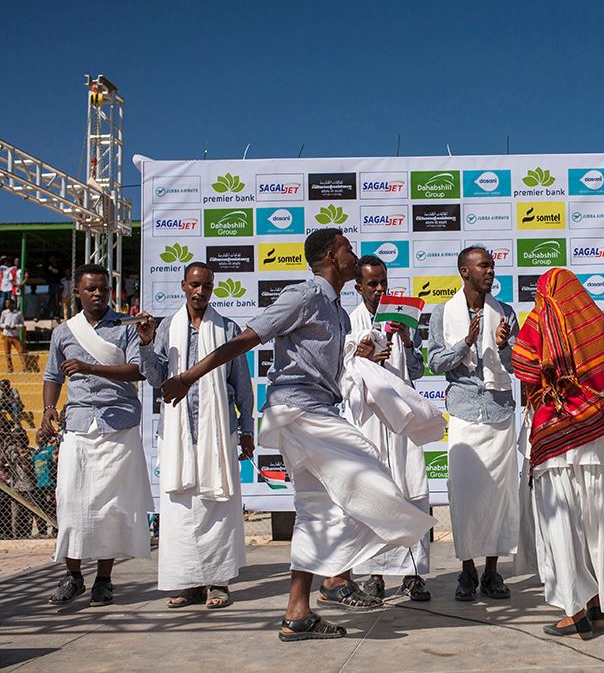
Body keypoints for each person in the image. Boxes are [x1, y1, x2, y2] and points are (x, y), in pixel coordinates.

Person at [159, 229, 435, 642]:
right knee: (373, 476)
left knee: (314, 512)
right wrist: (187, 377)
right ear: (330, 256)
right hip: (300, 411)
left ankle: (297, 613)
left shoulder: (339, 312)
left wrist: (363, 355)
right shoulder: (304, 295)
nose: (353, 254)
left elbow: (333, 365)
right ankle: (337, 579)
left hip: (316, 410)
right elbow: (247, 339)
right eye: (347, 248)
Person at [512, 268, 604, 640]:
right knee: (600, 526)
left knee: (562, 528)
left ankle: (574, 611)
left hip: (556, 439)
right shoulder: (596, 324)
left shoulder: (542, 319)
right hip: (599, 440)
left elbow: (525, 367)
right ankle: (598, 603)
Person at [138, 263, 255, 609]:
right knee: (180, 511)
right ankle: (187, 583)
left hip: (218, 433)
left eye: (206, 286)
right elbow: (155, 378)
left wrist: (247, 429)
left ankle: (217, 583)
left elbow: (242, 387)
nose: (200, 291)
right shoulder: (164, 330)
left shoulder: (228, 329)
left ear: (213, 288)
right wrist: (145, 345)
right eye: (194, 284)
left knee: (216, 507)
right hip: (176, 435)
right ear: (183, 286)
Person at [40, 263, 152, 607]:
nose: (98, 294)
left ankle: (104, 580)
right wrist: (48, 410)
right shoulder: (63, 332)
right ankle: (73, 576)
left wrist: (89, 367)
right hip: (77, 425)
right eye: (91, 289)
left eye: (104, 288)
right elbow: (52, 377)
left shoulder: (126, 327)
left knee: (112, 509)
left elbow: (138, 370)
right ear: (77, 292)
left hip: (119, 424)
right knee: (71, 504)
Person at [427, 246, 520, 602]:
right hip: (465, 413)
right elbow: (435, 363)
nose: (491, 271)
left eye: (493, 265)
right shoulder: (442, 313)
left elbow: (514, 367)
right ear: (464, 271)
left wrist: (504, 345)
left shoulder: (505, 313)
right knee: (464, 495)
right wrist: (466, 341)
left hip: (499, 413)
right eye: (483, 265)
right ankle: (467, 572)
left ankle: (492, 572)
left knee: (498, 496)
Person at [347, 255, 432, 603]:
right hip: (369, 423)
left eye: (383, 281)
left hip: (402, 425)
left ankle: (413, 575)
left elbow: (418, 371)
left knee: (411, 490)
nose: (379, 288)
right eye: (372, 283)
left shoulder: (400, 317)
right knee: (374, 495)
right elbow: (342, 376)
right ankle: (374, 575)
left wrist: (408, 341)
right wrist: (365, 363)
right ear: (358, 286)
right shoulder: (349, 323)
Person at [1, 298, 28, 373]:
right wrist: (5, 326)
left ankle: (25, 367)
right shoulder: (4, 313)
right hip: (6, 335)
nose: (6, 305)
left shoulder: (18, 313)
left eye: (8, 303)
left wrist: (16, 326)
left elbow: (22, 323)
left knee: (21, 351)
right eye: (6, 303)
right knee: (7, 352)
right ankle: (10, 368)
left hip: (15, 335)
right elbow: (1, 323)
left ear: (12, 304)